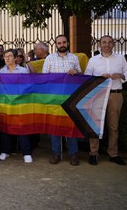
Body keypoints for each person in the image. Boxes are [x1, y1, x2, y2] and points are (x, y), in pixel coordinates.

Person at [85, 35, 127, 166]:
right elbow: (87, 78)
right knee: (95, 125)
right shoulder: (93, 60)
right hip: (98, 95)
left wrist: (121, 75)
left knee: (113, 126)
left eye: (110, 42)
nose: (107, 44)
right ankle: (93, 153)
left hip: (115, 95)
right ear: (99, 45)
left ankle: (113, 154)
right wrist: (99, 77)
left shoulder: (120, 58)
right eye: (104, 42)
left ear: (113, 44)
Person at [42, 35, 82, 166]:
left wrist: (76, 72)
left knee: (70, 125)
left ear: (68, 43)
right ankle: (56, 153)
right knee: (55, 125)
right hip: (54, 97)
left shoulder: (74, 58)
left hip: (71, 97)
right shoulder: (49, 58)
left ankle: (73, 154)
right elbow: (44, 78)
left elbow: (81, 76)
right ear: (56, 45)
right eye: (59, 43)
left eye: (64, 42)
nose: (62, 44)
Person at [0, 49, 33, 163]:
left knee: (22, 127)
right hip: (7, 104)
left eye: (10, 56)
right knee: (6, 127)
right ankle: (5, 151)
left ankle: (26, 153)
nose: (7, 58)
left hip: (20, 104)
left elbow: (28, 86)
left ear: (15, 58)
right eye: (5, 56)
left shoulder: (23, 71)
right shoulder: (2, 72)